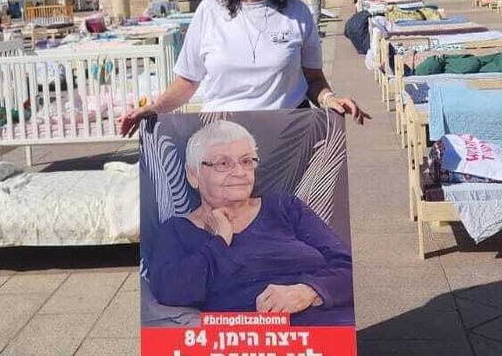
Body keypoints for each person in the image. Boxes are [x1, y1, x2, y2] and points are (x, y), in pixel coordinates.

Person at [118, 0, 369, 137]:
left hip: (287, 139)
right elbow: (187, 81)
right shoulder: (209, 11)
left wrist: (329, 98)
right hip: (221, 140)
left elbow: (313, 79)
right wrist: (153, 108)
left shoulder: (298, 13)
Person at [148, 120, 354, 326]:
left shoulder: (284, 207)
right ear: (193, 175)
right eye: (223, 163)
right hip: (261, 338)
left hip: (338, 324)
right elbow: (172, 291)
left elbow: (348, 266)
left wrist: (309, 291)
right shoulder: (178, 231)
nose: (240, 172)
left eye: (246, 161)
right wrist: (220, 241)